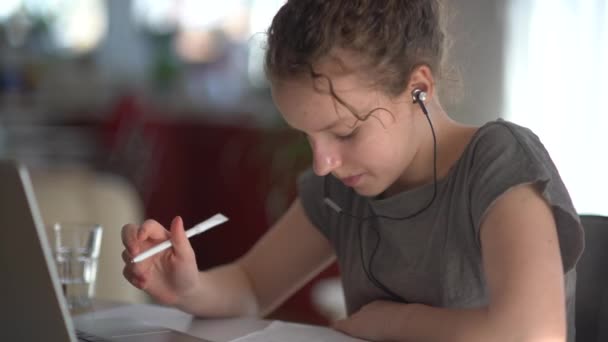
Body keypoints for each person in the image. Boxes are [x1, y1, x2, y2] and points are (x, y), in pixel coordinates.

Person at [121, 1, 584, 341]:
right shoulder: (343, 188)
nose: (323, 162)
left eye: (343, 133)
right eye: (308, 137)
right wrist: (188, 286)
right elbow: (250, 286)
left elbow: (532, 334)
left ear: (418, 88)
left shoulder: (498, 162)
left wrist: (394, 323)